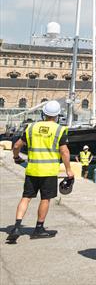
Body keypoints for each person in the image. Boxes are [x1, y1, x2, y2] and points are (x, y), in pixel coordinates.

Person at [8, 100, 73, 241]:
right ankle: (39, 228)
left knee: (26, 197)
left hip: (32, 170)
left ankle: (17, 226)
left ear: (43, 113)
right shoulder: (59, 130)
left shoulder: (31, 127)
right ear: (57, 115)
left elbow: (16, 145)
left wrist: (16, 157)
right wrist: (69, 170)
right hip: (48, 171)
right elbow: (64, 152)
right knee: (45, 199)